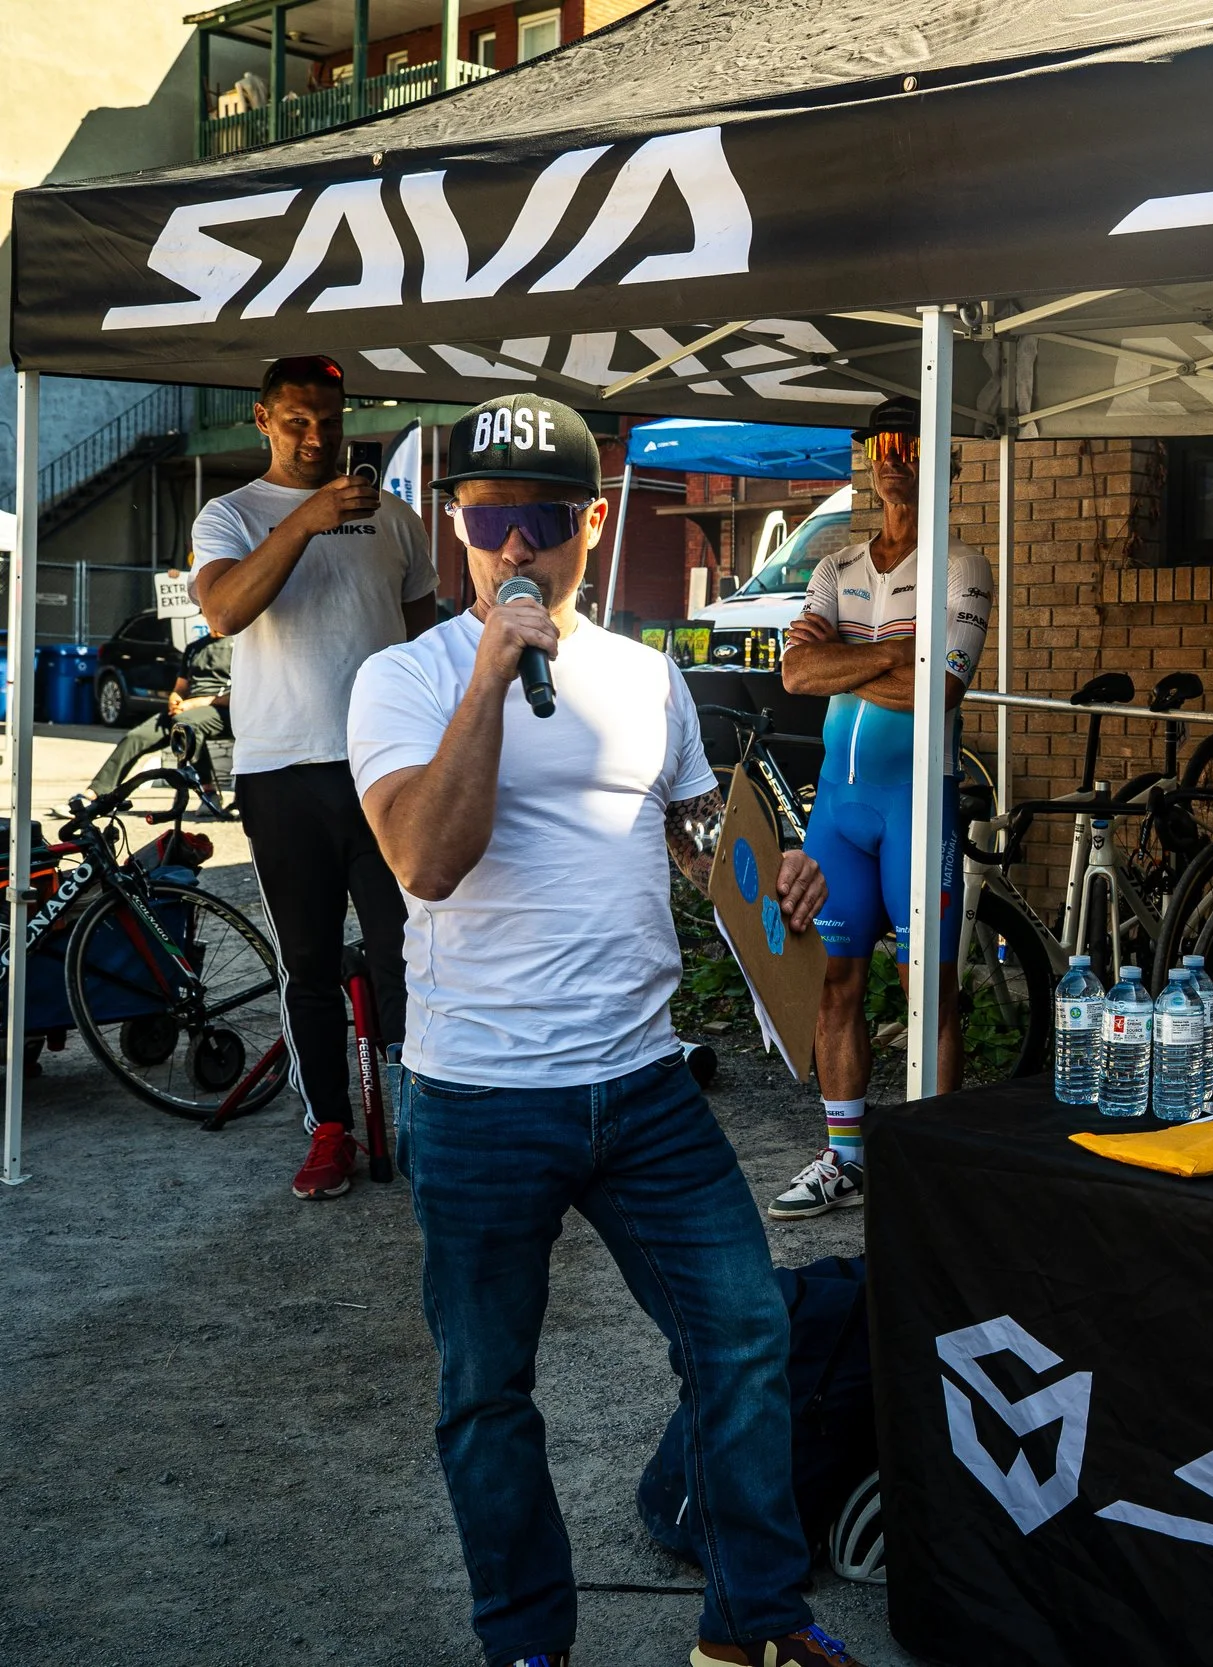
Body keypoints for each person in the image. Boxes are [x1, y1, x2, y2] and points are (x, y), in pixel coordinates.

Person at [348, 393, 852, 1667]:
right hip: (477, 1096)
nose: (513, 548)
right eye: (486, 520)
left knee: (744, 1336)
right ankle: (529, 1642)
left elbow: (693, 839)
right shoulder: (398, 680)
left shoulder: (644, 674)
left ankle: (752, 1628)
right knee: (485, 1390)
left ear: (588, 522)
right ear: (459, 528)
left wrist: (767, 865)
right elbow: (428, 857)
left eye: (538, 521)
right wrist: (488, 675)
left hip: (642, 1084)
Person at [190, 353, 435, 1200]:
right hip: (281, 770)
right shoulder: (231, 514)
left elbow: (420, 647)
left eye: (329, 419)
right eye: (296, 419)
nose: (315, 435)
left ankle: (421, 1116)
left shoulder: (397, 520)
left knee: (411, 949)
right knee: (309, 961)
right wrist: (307, 520)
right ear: (263, 420)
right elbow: (225, 609)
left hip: (384, 768)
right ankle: (328, 1124)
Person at [769, 397, 992, 1219]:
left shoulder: (963, 568)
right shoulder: (836, 564)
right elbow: (794, 675)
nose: (894, 455)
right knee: (836, 979)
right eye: (880, 442)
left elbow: (938, 689)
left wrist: (849, 658)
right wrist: (894, 649)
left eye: (912, 441)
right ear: (867, 459)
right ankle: (845, 1157)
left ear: (944, 460)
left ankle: (931, 1162)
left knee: (923, 986)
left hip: (915, 803)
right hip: (841, 806)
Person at [86, 631, 232, 799]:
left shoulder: (238, 646)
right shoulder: (194, 648)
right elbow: (180, 687)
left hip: (220, 711)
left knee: (185, 723)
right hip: (186, 711)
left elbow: (241, 694)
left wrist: (196, 703)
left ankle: (209, 791)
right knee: (136, 737)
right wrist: (175, 699)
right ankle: (97, 793)